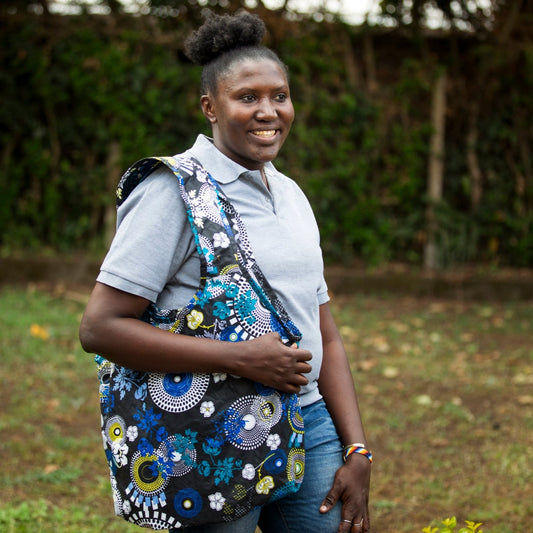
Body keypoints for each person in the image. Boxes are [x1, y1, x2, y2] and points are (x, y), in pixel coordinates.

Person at [79, 12, 371, 533]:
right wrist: (240, 358)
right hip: (209, 431)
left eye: (279, 95)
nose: (269, 111)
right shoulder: (173, 192)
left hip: (312, 421)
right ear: (210, 107)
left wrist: (356, 446)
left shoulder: (291, 194)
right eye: (248, 98)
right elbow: (100, 328)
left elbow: (323, 327)